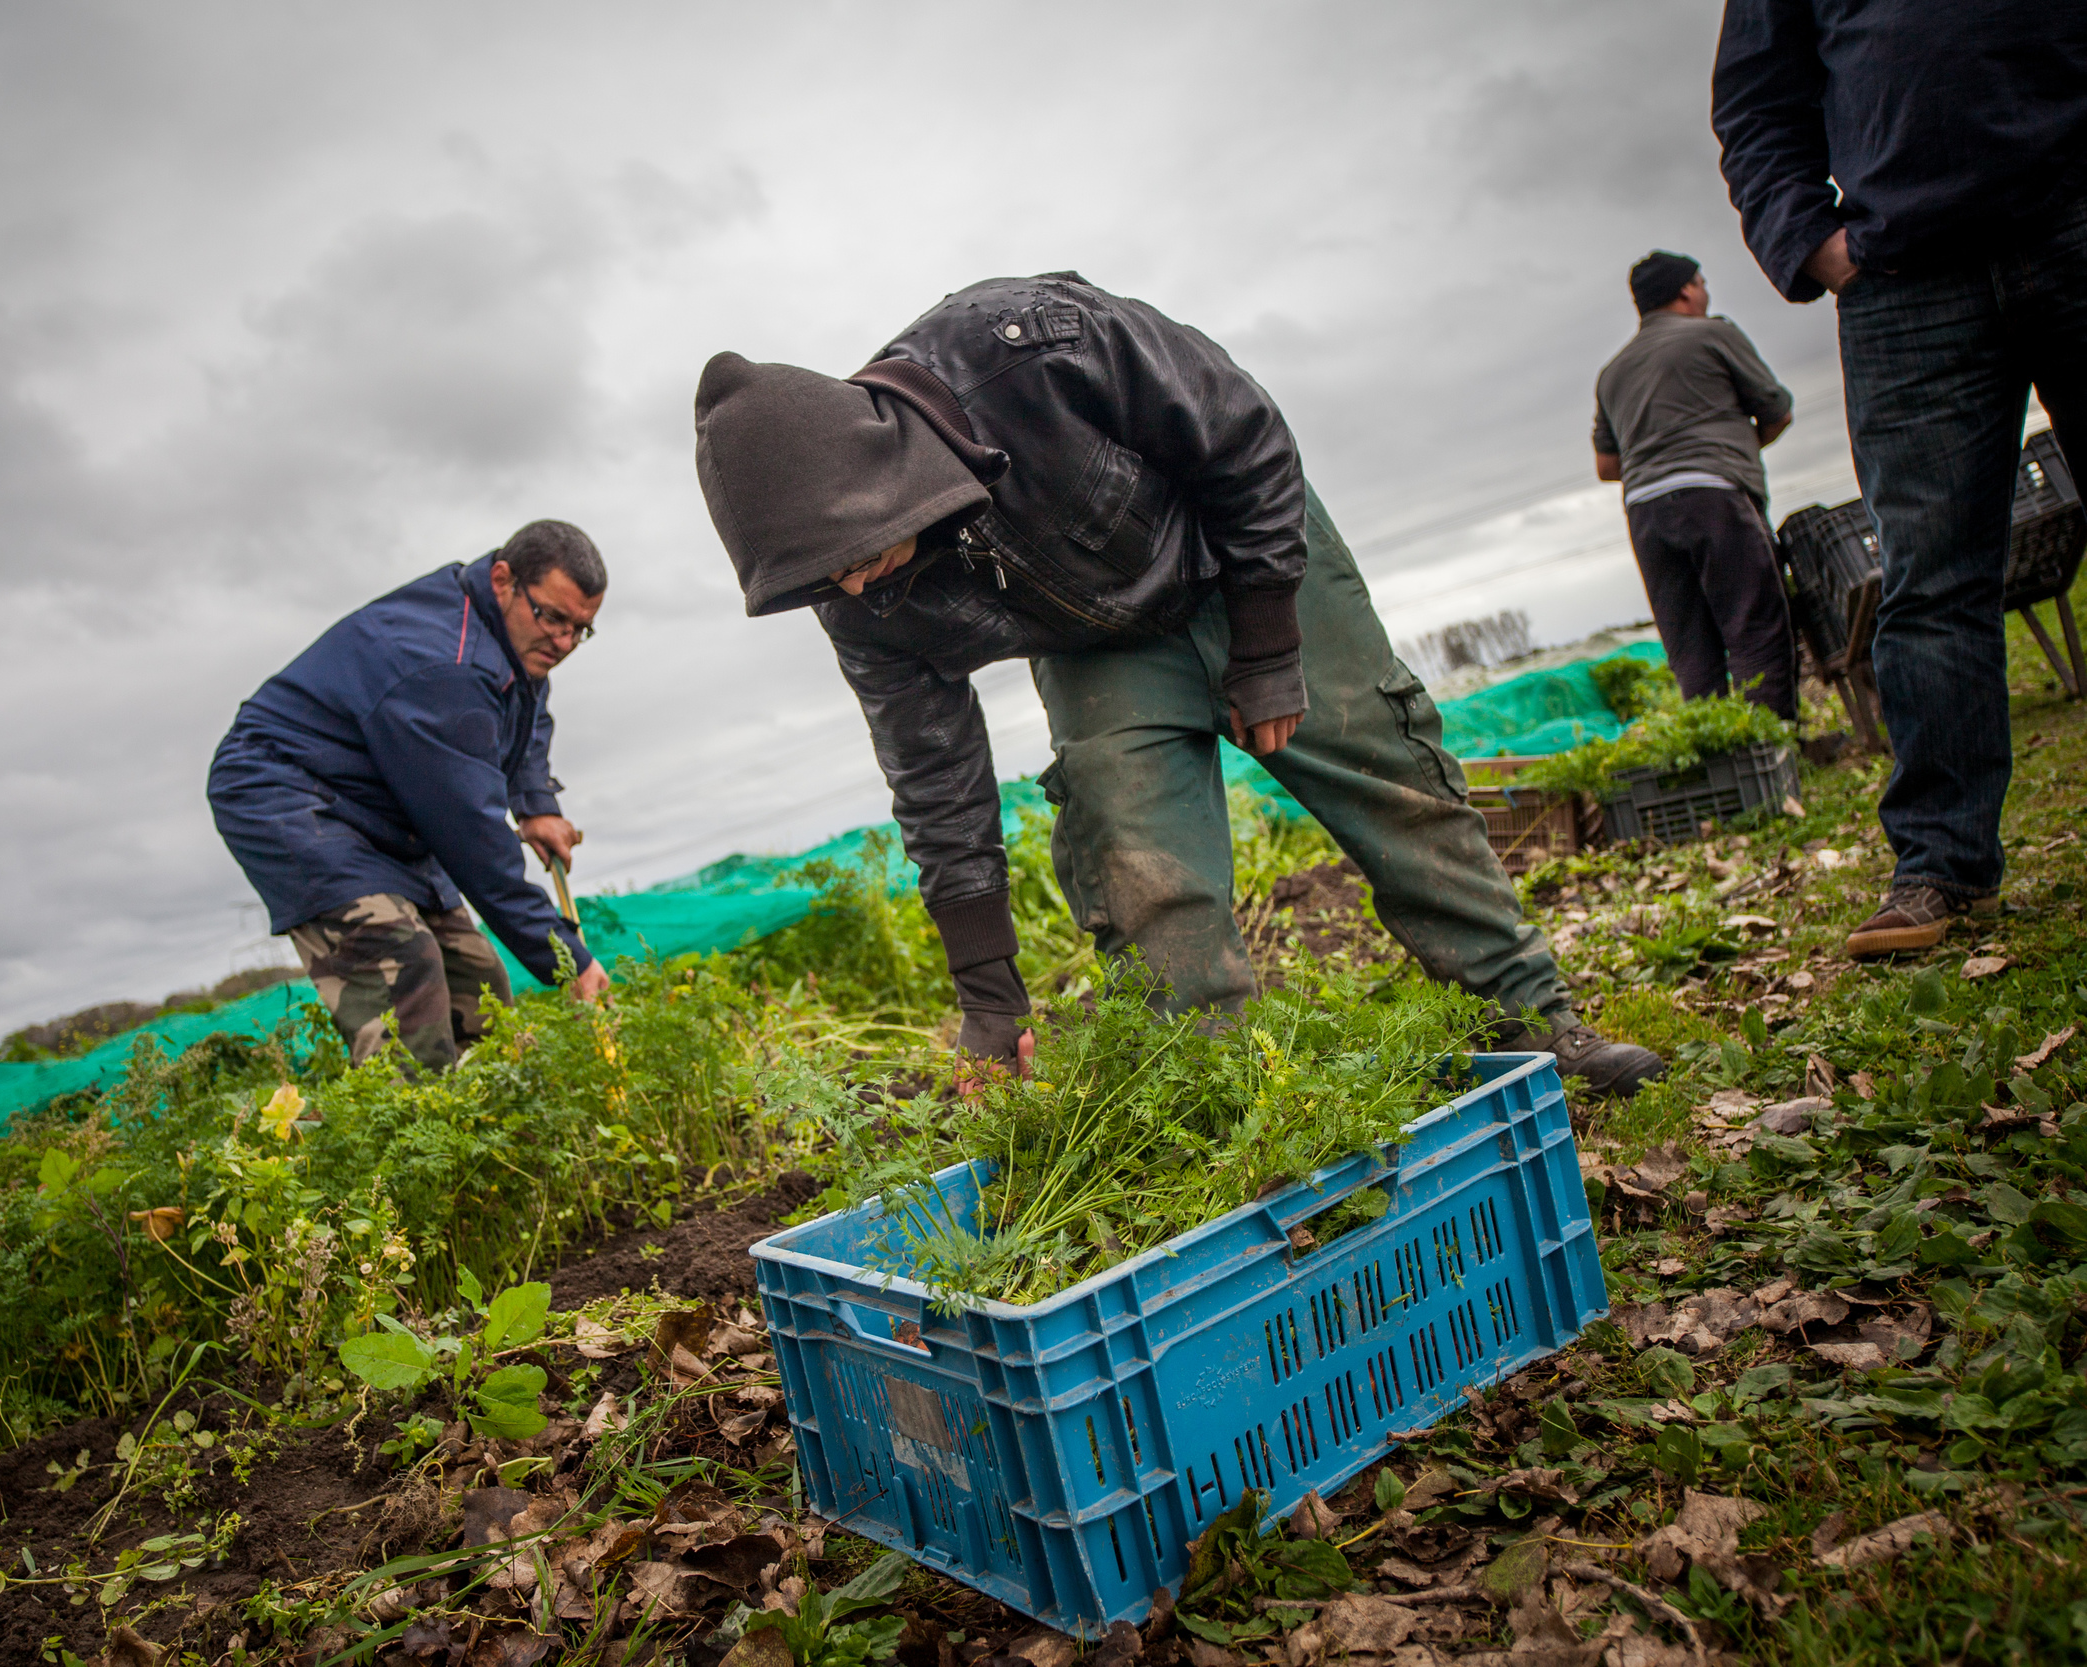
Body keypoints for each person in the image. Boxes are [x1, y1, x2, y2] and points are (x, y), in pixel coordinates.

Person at [691, 272, 1664, 1095]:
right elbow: (934, 781)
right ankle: (1229, 1107)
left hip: (1242, 557)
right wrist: (988, 995)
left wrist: (1268, 649)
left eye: (849, 556)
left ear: (876, 475)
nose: (852, 585)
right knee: (1137, 866)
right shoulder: (858, 599)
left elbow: (1243, 435)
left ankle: (1535, 1026)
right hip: (1096, 644)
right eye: (823, 580)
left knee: (1389, 773)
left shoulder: (1027, 347)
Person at [1714, 0, 2087, 959]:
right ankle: (1942, 863)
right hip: (1905, 276)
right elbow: (1756, 99)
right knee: (1928, 572)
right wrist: (1811, 241)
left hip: (2070, 208)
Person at [208, 519, 609, 1069]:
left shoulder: (510, 636)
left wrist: (536, 801)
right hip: (286, 792)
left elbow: (528, 704)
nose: (563, 644)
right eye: (553, 618)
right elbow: (474, 841)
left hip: (383, 800)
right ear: (502, 579)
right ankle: (393, 1134)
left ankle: (475, 1124)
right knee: (403, 962)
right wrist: (568, 960)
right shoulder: (444, 668)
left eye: (580, 629)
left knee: (477, 978)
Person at [1593, 251, 1798, 718]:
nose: (1705, 292)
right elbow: (1777, 410)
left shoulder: (1612, 373)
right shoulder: (1713, 333)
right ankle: (1772, 749)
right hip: (1713, 494)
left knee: (1690, 647)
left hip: (1644, 510)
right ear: (1686, 289)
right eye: (1701, 283)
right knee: (1754, 628)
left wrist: (1658, 460)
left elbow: (1607, 465)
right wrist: (1730, 450)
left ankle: (1722, 764)